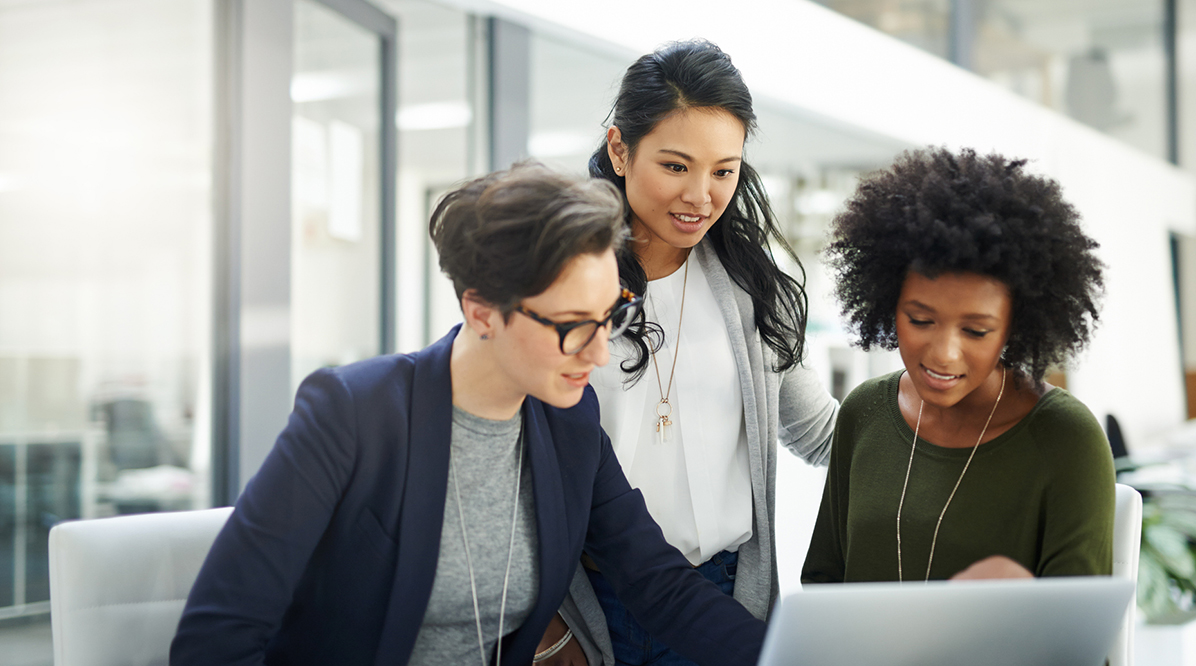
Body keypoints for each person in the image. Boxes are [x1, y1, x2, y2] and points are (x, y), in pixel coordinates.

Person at [170, 163, 766, 666]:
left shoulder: (569, 422)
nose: (600, 351)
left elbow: (655, 581)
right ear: (481, 313)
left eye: (611, 316)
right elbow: (217, 637)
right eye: (573, 325)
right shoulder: (353, 414)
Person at [539, 40, 838, 666]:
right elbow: (507, 455)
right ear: (620, 149)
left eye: (723, 170)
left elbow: (819, 433)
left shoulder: (754, 287)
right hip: (591, 607)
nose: (702, 195)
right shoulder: (557, 279)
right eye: (676, 166)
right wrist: (548, 634)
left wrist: (952, 419)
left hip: (722, 600)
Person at [802, 147, 1114, 585]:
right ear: (889, 304)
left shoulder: (1065, 438)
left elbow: (1077, 638)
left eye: (976, 331)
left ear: (1014, 326)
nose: (943, 353)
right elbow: (823, 582)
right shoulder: (864, 412)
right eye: (921, 320)